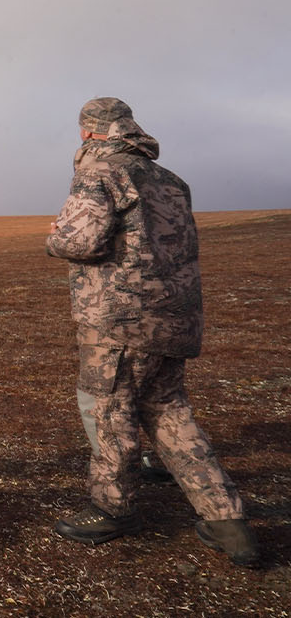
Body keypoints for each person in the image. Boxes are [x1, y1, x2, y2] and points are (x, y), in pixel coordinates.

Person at [46, 97, 260, 566]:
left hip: (120, 320)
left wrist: (54, 236)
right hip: (175, 316)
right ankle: (227, 520)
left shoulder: (100, 172)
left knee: (110, 412)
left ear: (90, 132)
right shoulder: (172, 181)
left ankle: (112, 508)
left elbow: (78, 240)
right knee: (170, 413)